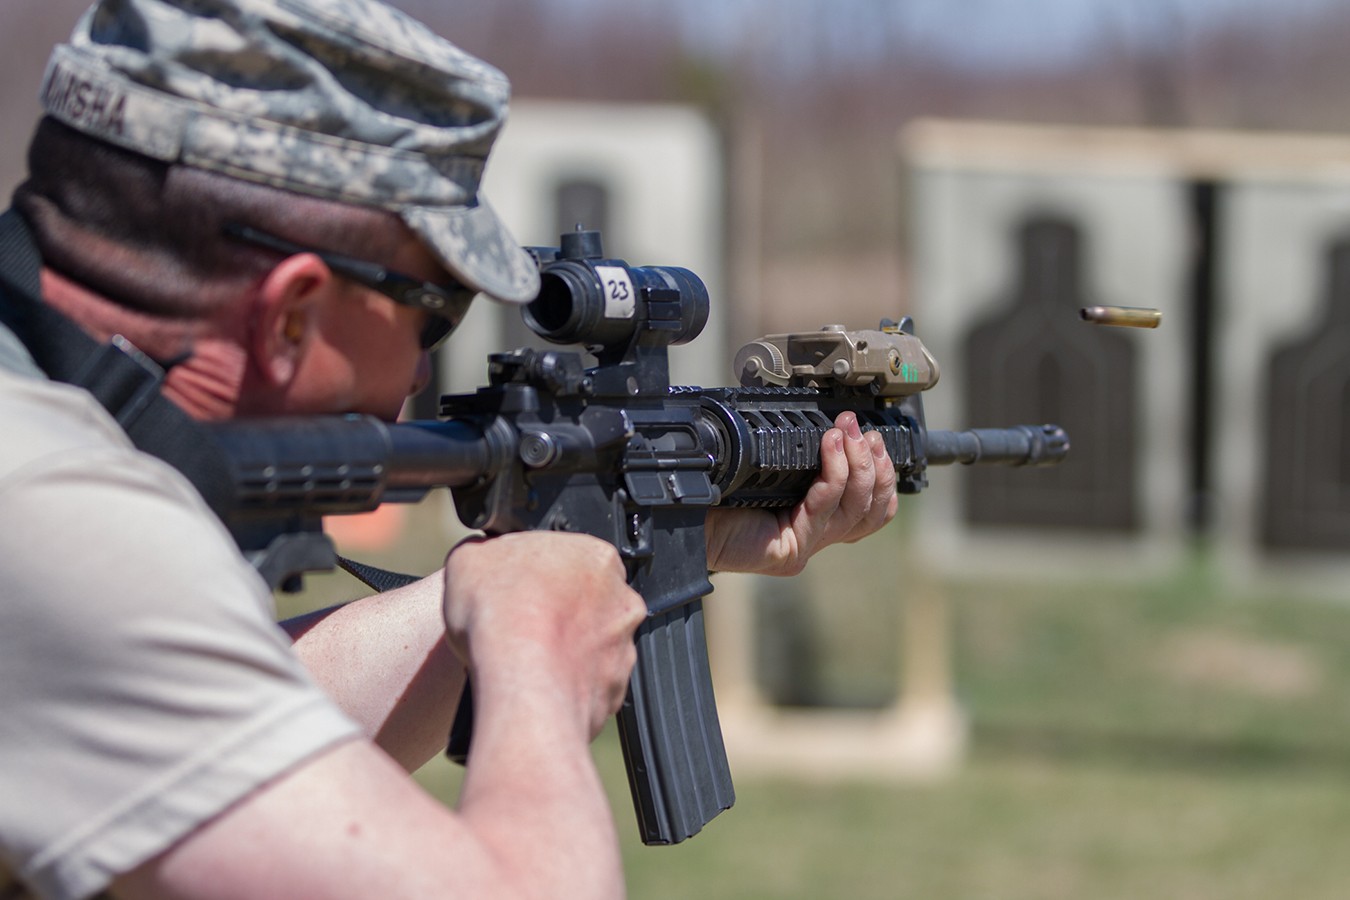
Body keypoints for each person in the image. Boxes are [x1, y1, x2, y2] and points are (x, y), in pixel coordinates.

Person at [0, 1, 900, 898]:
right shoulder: (54, 513)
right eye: (436, 311)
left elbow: (209, 724)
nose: (421, 372)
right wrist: (539, 666)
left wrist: (621, 556)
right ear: (292, 314)